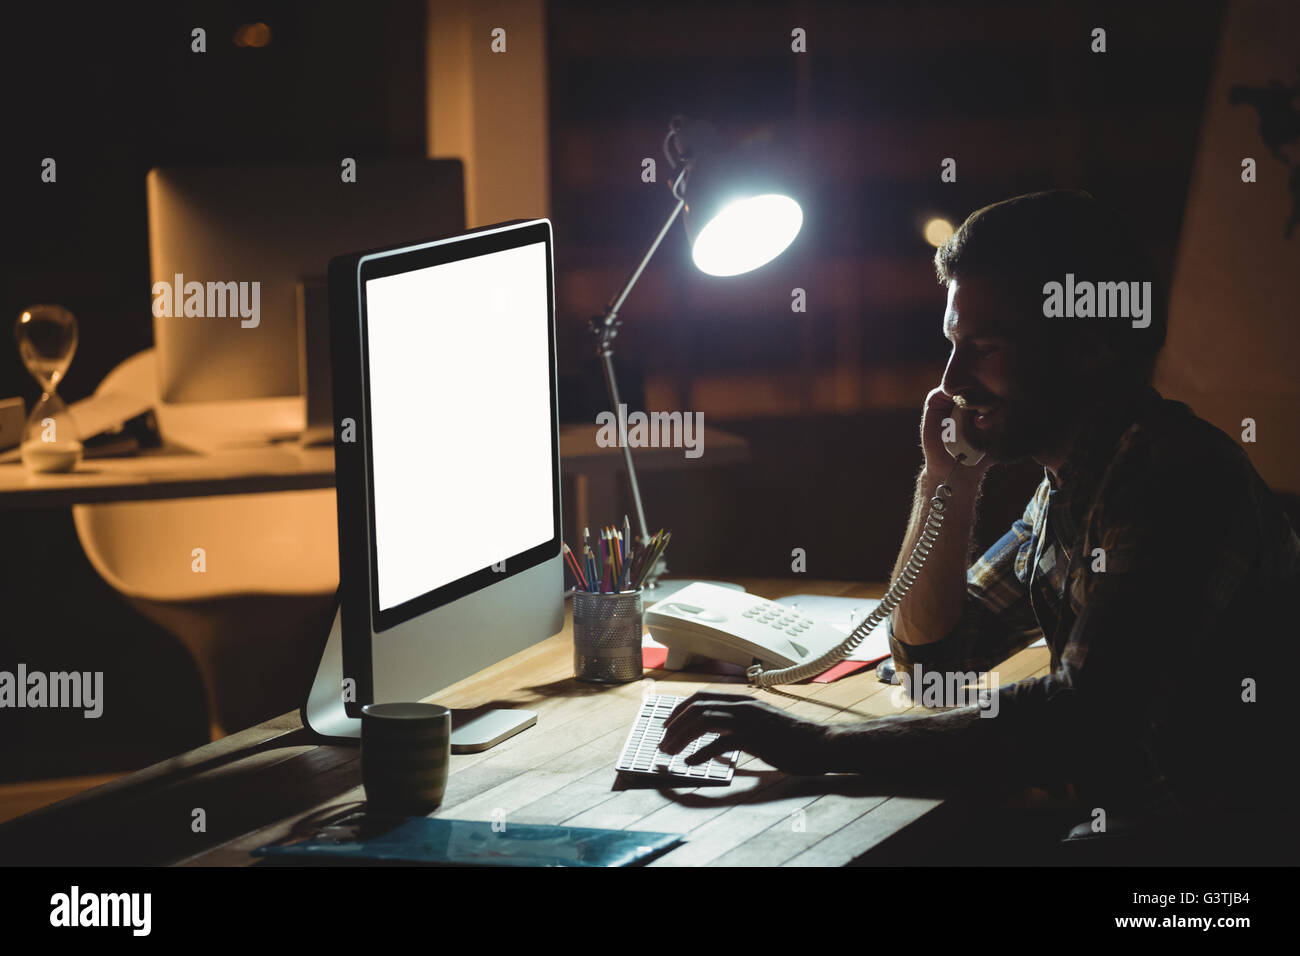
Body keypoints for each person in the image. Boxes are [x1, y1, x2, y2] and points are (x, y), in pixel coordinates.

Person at [659, 190, 1300, 863]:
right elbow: (934, 658)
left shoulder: (1175, 482)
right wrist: (948, 482)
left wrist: (820, 745)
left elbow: (1080, 718)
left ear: (1089, 347)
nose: (952, 379)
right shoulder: (1073, 485)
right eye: (952, 344)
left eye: (984, 347)